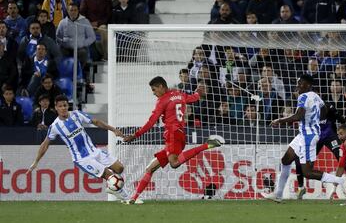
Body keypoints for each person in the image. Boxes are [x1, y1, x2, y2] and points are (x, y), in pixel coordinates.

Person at [123, 76, 224, 204]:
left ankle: (206, 145)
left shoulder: (162, 101)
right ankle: (133, 198)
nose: (154, 93)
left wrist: (135, 135)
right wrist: (198, 92)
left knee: (174, 163)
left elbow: (151, 122)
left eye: (154, 90)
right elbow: (194, 98)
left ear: (161, 86)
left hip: (172, 134)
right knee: (150, 169)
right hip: (180, 135)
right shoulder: (179, 95)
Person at [26, 94, 129, 201]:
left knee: (119, 168)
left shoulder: (76, 114)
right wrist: (36, 161)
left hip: (94, 151)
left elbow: (96, 122)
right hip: (82, 159)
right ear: (56, 107)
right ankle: (127, 198)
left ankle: (113, 188)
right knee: (109, 175)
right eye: (60, 106)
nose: (63, 108)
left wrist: (113, 129)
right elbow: (45, 144)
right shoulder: (55, 126)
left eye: (65, 105)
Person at [262, 74, 344, 202]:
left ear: (308, 85)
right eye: (298, 83)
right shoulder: (315, 96)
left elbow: (298, 116)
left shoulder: (303, 96)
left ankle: (340, 180)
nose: (298, 86)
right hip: (303, 134)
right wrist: (314, 120)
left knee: (307, 172)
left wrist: (279, 120)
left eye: (300, 84)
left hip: (308, 137)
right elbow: (324, 110)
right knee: (286, 159)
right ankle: (278, 195)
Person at [294, 102, 346, 199]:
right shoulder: (305, 110)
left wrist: (344, 129)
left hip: (330, 136)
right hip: (316, 138)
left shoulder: (327, 106)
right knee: (299, 158)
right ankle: (301, 187)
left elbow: (342, 120)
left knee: (341, 157)